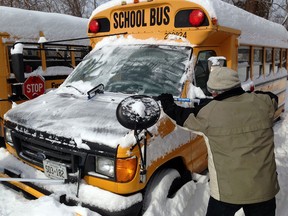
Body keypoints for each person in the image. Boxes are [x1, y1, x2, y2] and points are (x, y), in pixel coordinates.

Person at [157, 64, 279, 216]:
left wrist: (167, 103)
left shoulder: (208, 113)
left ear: (214, 92)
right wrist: (246, 95)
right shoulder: (264, 103)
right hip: (264, 189)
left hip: (227, 191)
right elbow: (272, 97)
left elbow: (181, 116)